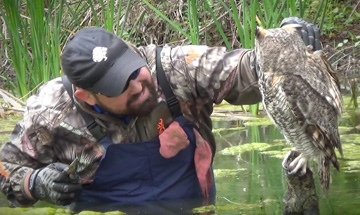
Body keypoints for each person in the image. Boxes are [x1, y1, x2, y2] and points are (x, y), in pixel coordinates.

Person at [0, 17, 320, 210]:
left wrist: (282, 43)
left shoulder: (174, 68)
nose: (139, 85)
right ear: (86, 96)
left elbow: (245, 69)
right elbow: (6, 170)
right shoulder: (51, 111)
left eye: (133, 69)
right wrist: (35, 182)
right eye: (119, 85)